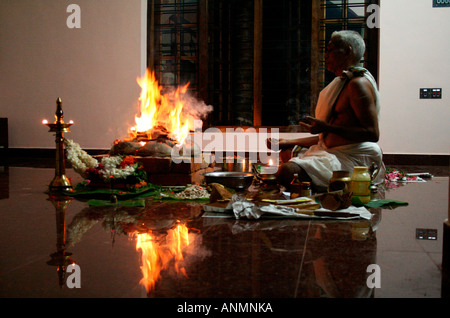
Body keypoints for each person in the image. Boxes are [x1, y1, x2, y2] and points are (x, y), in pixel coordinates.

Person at [268, 30, 385, 192]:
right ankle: (332, 185)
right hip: (333, 153)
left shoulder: (357, 84)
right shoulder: (343, 83)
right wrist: (289, 142)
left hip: (354, 158)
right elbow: (328, 138)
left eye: (330, 50)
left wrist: (327, 127)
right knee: (290, 158)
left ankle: (342, 184)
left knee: (288, 172)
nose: (325, 57)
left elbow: (372, 133)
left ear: (347, 51)